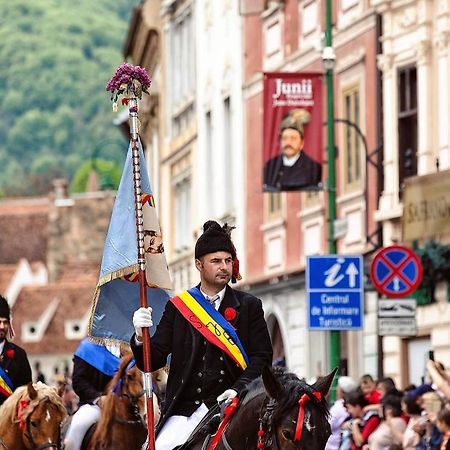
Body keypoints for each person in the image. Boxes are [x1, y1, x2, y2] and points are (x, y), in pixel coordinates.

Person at [132, 220, 273, 450]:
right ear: (199, 264)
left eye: (228, 261)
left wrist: (239, 388)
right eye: (216, 261)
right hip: (183, 411)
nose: (224, 267)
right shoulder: (179, 307)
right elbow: (152, 360)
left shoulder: (249, 306)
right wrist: (140, 336)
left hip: (232, 407)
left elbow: (262, 357)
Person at [64, 338, 122, 450]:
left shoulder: (129, 346)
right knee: (78, 426)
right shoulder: (87, 348)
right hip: (95, 406)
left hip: (125, 404)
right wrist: (97, 398)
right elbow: (78, 381)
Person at [263, 108, 322, 191]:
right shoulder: (270, 167)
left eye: (293, 138)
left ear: (301, 143)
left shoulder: (313, 168)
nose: (288, 143)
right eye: (285, 138)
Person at [0, 295, 32, 406]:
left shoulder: (19, 355)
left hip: (11, 417)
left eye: (5, 322)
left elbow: (26, 391)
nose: (2, 326)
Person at [326, 375, 359, 450]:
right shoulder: (345, 404)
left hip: (333, 446)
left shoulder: (339, 407)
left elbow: (328, 425)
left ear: (341, 390)